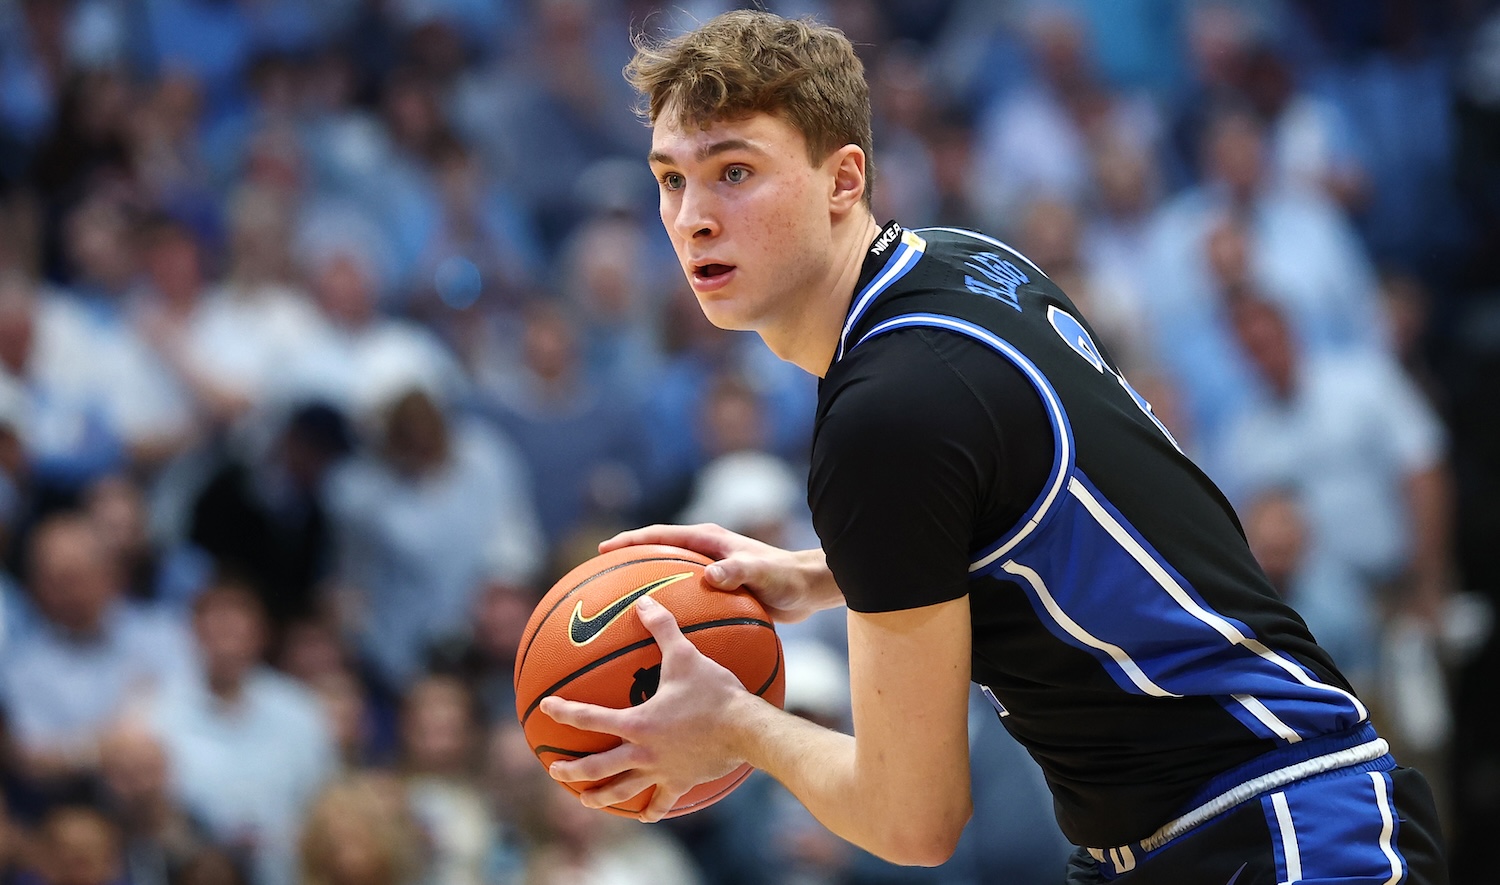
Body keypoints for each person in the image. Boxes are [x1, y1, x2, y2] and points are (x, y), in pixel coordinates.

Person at [537, 10, 1450, 884]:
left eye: (734, 171)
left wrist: (736, 724)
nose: (692, 216)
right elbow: (1043, 512)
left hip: (1276, 823)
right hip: (1198, 826)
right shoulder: (963, 262)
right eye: (670, 178)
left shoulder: (886, 413)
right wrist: (825, 574)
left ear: (843, 180)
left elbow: (911, 818)